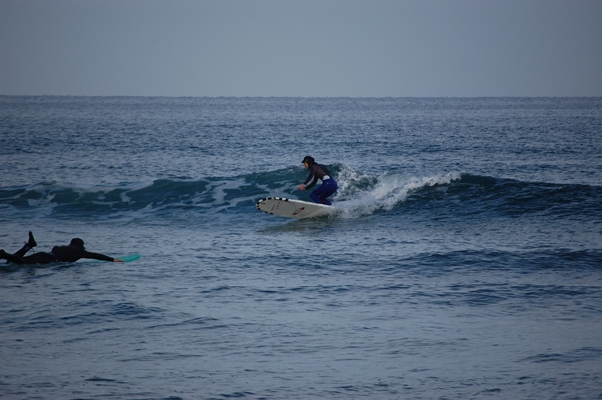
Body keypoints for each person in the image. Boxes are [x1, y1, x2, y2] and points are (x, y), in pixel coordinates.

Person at [0, 231, 125, 265]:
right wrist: (113, 259)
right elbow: (96, 256)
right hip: (49, 260)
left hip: (45, 254)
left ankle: (28, 246)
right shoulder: (79, 251)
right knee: (22, 264)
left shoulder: (61, 246)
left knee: (13, 262)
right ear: (81, 245)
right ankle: (4, 254)